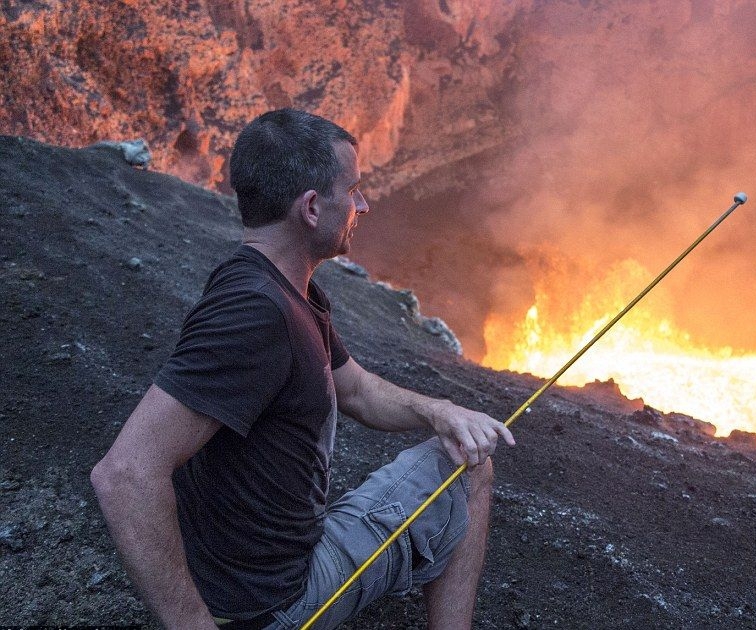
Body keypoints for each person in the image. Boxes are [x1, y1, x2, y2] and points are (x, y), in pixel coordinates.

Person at [91, 108, 515, 630]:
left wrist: (441, 410)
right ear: (312, 208)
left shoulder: (279, 287)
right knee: (469, 467)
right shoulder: (255, 312)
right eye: (353, 190)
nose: (362, 204)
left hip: (251, 581)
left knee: (450, 442)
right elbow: (124, 473)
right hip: (278, 604)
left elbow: (356, 389)